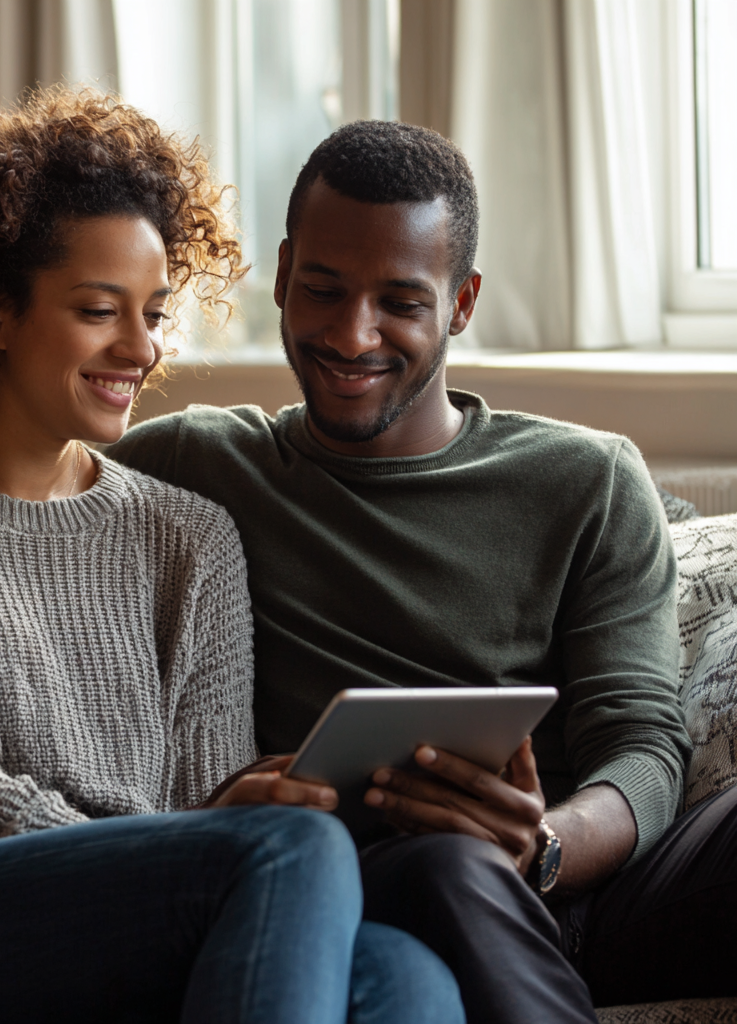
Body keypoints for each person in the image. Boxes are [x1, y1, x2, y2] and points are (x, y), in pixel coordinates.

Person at [0, 94, 465, 1024]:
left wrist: (178, 847)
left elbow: (203, 804)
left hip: (104, 904)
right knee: (286, 854)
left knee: (405, 972)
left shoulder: (189, 538)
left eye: (152, 313)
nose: (140, 349)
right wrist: (159, 853)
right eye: (98, 310)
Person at [107, 120, 737, 1023]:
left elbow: (639, 746)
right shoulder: (190, 465)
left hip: (574, 877)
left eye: (400, 302)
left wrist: (543, 846)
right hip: (391, 886)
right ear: (282, 276)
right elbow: (7, 485)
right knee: (449, 861)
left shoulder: (588, 479)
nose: (352, 334)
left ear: (463, 300)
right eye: (322, 289)